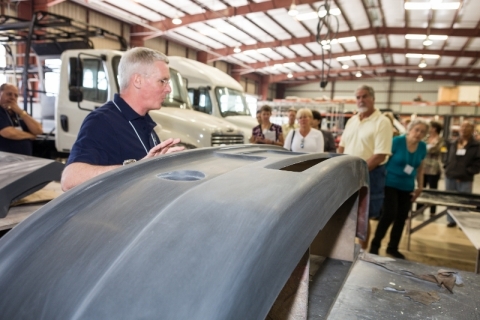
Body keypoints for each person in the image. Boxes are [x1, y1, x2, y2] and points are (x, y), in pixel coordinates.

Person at [61, 47, 184, 191]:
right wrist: (136, 167)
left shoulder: (143, 121)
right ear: (138, 81)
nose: (168, 89)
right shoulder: (102, 121)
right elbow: (69, 179)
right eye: (162, 81)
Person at [338, 85, 393, 250]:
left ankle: (362, 252)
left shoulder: (382, 122)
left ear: (373, 99)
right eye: (358, 97)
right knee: (346, 214)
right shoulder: (352, 121)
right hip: (347, 172)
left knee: (363, 216)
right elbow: (341, 147)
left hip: (370, 174)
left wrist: (357, 174)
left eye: (365, 96)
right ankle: (346, 249)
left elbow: (380, 155)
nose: (361, 100)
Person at [370, 119, 428, 259]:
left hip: (407, 186)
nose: (419, 133)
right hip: (390, 183)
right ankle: (375, 245)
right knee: (389, 214)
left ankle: (392, 248)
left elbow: (420, 168)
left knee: (402, 217)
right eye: (416, 130)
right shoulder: (396, 141)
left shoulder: (422, 147)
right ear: (410, 129)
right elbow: (384, 161)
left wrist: (420, 186)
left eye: (422, 131)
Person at [444, 121, 480, 227]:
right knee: (450, 199)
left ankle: (462, 222)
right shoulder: (453, 143)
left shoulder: (476, 145)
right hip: (450, 176)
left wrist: (467, 172)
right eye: (462, 127)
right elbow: (446, 156)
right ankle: (451, 220)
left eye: (467, 127)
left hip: (465, 178)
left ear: (472, 130)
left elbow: (478, 162)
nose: (464, 129)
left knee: (464, 201)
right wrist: (446, 167)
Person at [0, 83, 43, 155]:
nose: (13, 97)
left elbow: (38, 130)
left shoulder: (20, 112)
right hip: (5, 160)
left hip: (24, 159)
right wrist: (30, 136)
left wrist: (20, 112)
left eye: (16, 95)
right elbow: (7, 133)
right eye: (9, 94)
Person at [422, 121, 445, 215]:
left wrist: (426, 148)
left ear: (434, 128)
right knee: (422, 189)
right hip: (423, 167)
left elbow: (436, 150)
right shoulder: (425, 138)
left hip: (434, 169)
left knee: (433, 191)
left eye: (430, 127)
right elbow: (420, 147)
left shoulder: (441, 140)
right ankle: (420, 209)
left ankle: (432, 211)